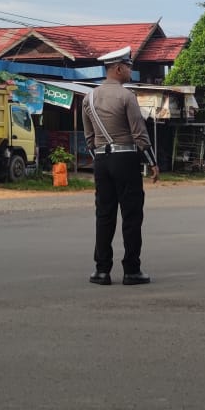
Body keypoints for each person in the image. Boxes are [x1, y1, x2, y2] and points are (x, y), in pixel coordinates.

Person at [82, 46, 159, 286]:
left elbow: (89, 139)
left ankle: (101, 271)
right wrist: (153, 162)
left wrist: (101, 160)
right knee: (131, 215)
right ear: (118, 68)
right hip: (125, 159)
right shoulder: (127, 97)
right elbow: (139, 134)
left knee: (104, 215)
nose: (131, 70)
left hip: (102, 161)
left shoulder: (89, 98)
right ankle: (131, 270)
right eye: (129, 66)